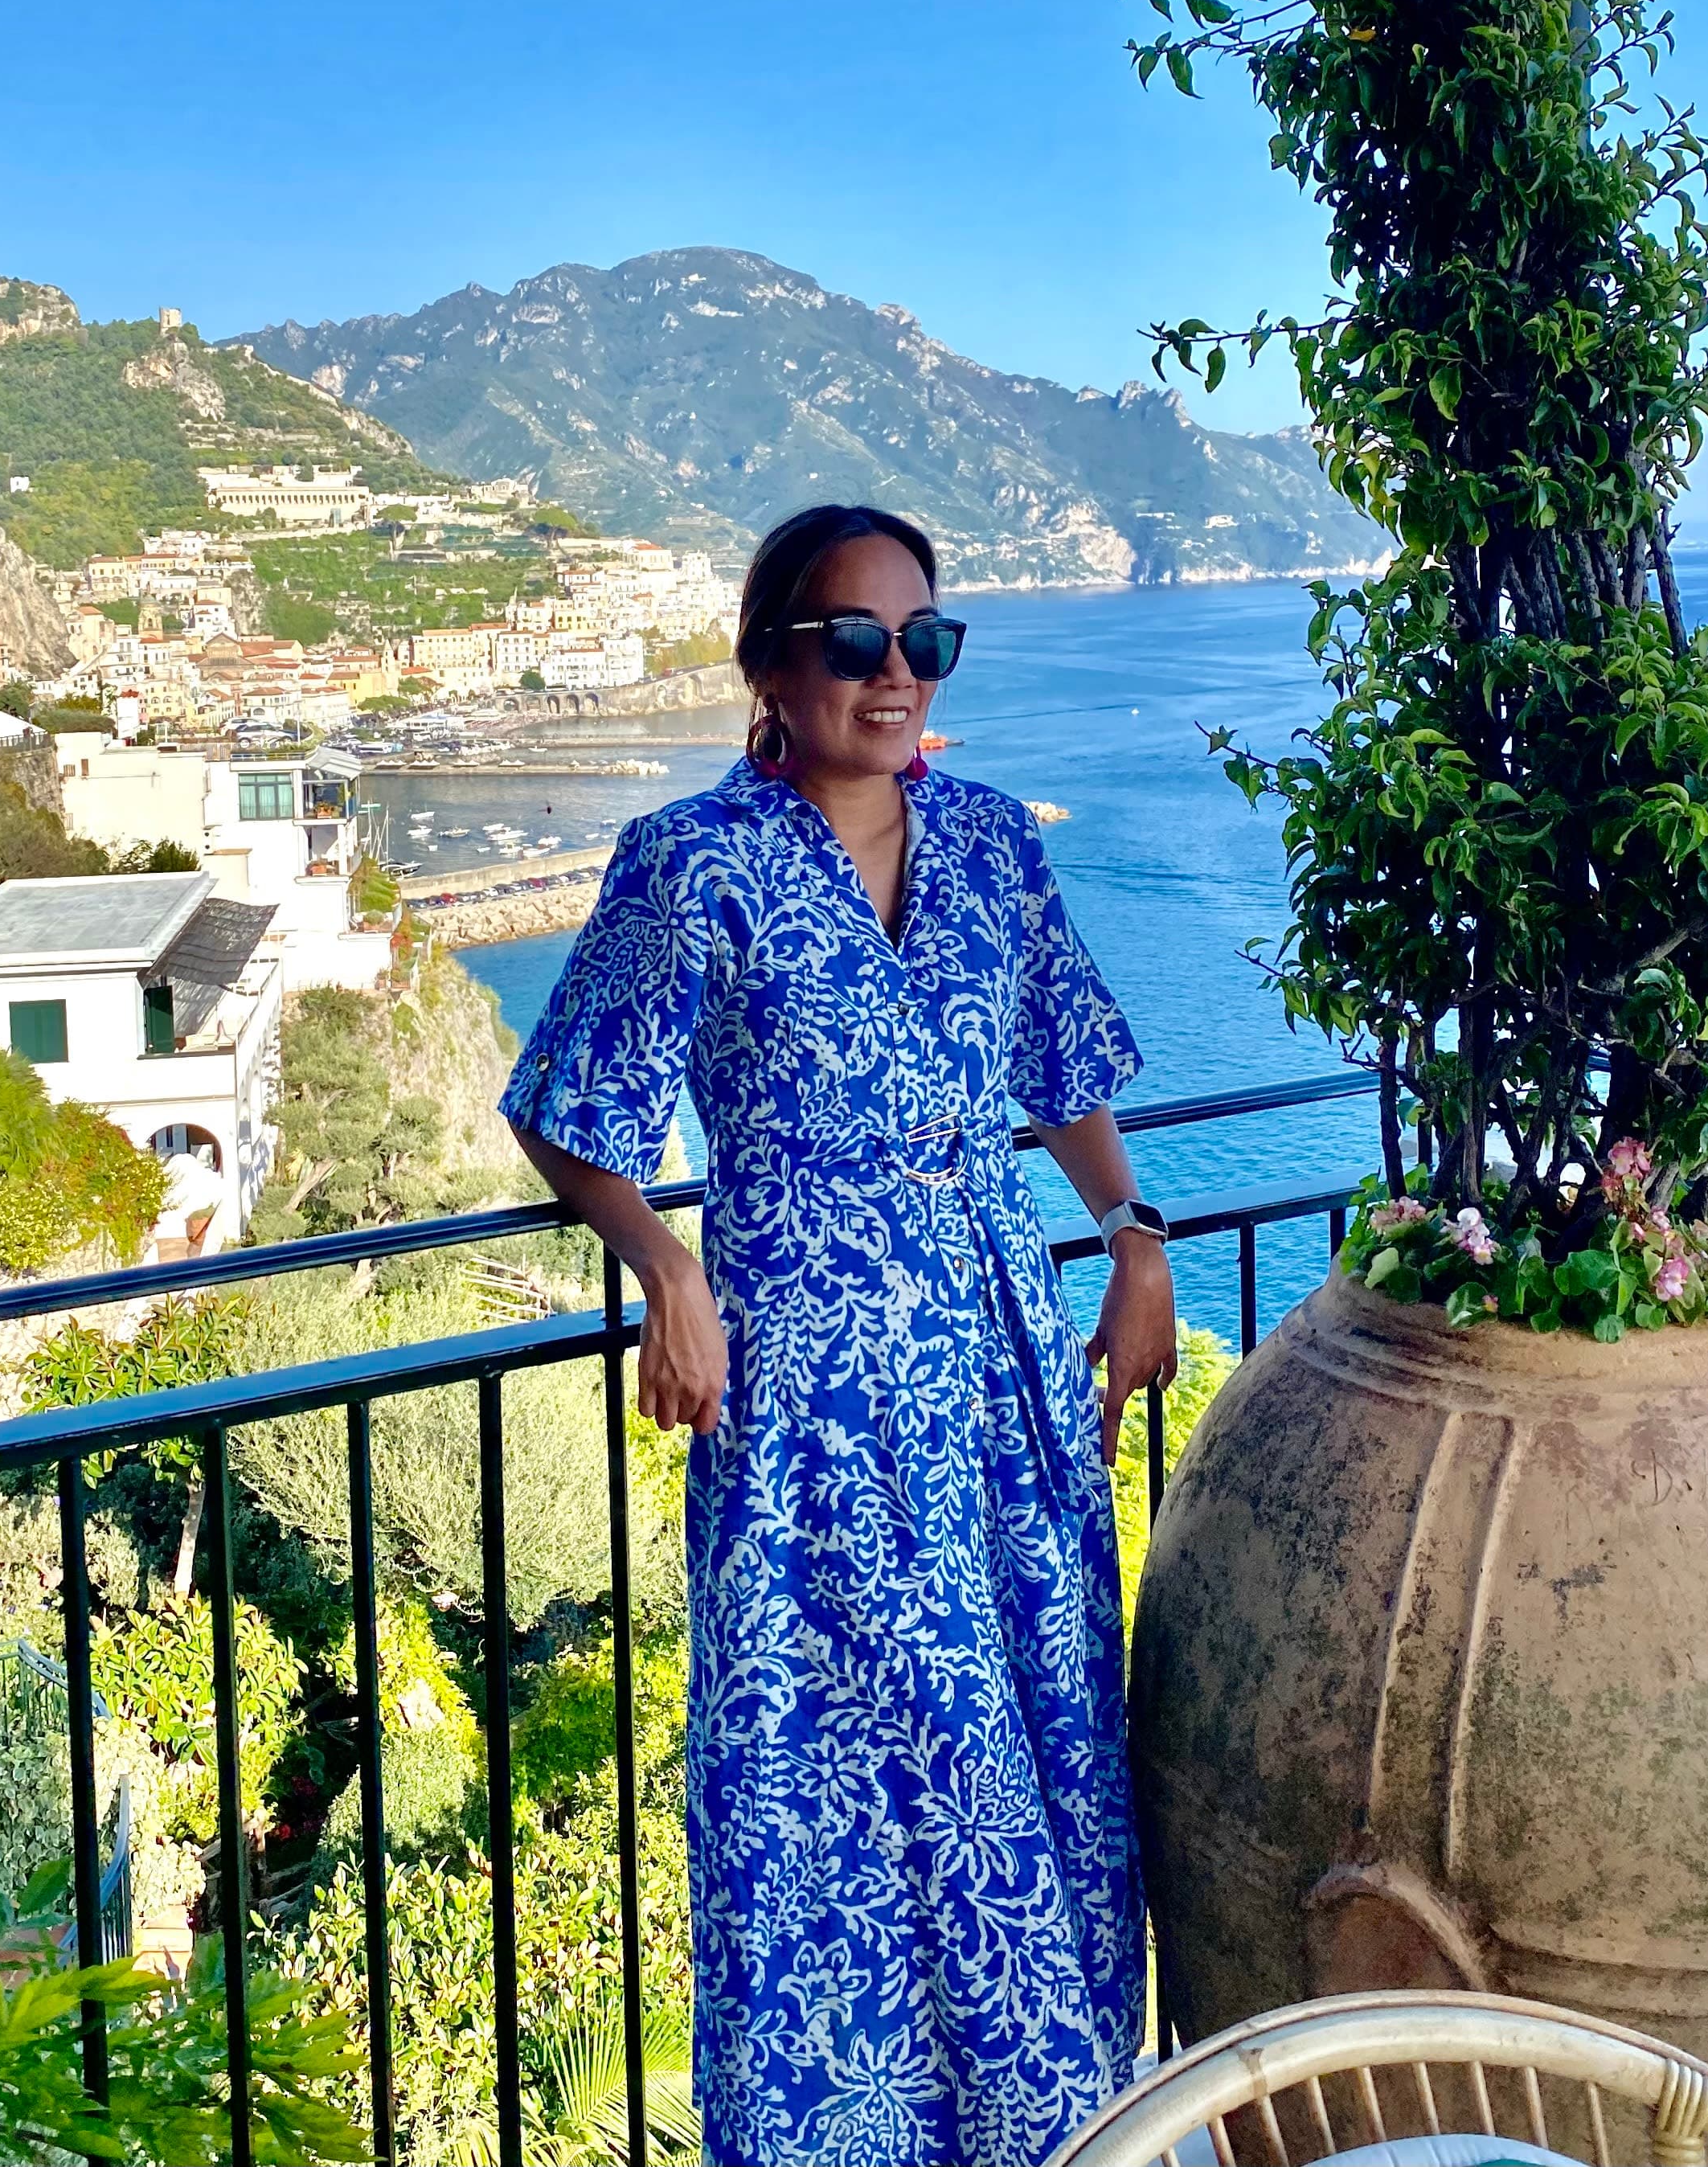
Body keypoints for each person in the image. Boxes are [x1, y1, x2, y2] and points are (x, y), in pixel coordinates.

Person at [502, 502, 1178, 2167]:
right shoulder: (692, 859)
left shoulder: (995, 843)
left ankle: (1059, 2126)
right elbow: (565, 1102)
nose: (892, 673)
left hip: (1001, 1373)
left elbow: (1058, 1067)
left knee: (1033, 1735)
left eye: (921, 639)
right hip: (809, 1390)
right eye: (853, 638)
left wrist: (1134, 1234)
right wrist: (666, 1265)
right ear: (767, 663)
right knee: (841, 1769)